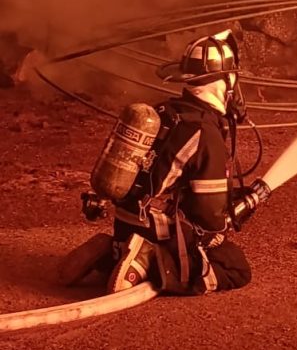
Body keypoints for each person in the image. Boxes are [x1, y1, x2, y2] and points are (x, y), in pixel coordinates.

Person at [59, 30, 271, 295]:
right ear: (225, 82)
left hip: (125, 222)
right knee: (234, 265)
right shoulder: (205, 133)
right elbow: (210, 220)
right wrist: (242, 206)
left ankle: (111, 254)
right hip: (156, 230)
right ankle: (150, 261)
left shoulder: (164, 111)